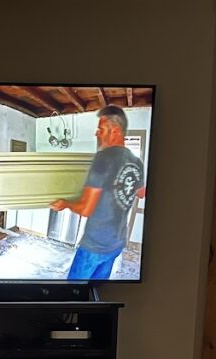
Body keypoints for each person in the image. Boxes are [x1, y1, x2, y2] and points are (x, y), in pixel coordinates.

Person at [51, 105, 146, 281]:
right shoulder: (137, 162)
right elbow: (141, 193)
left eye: (100, 129)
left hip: (95, 245)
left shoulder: (103, 158)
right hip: (117, 244)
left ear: (115, 131)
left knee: (73, 293)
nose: (97, 134)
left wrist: (66, 204)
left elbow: (86, 209)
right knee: (96, 293)